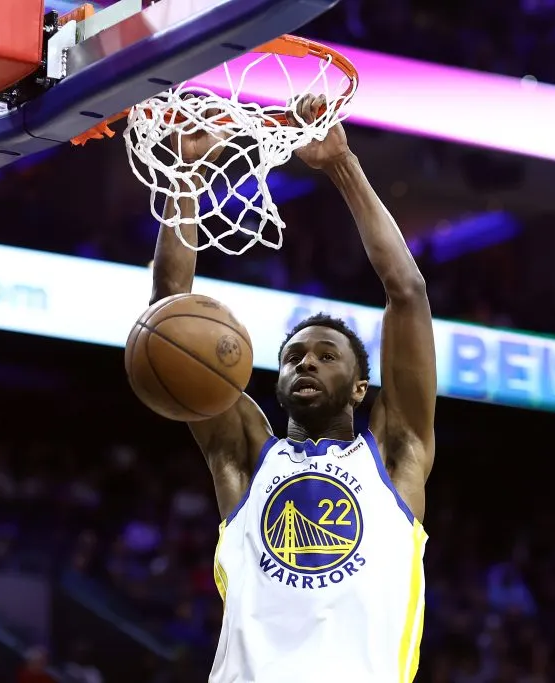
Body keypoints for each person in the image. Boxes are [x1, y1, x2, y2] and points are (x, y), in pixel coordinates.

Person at [148, 95, 437, 683]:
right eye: (293, 357)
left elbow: (406, 291)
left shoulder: (395, 454)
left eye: (325, 356)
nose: (305, 363)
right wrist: (185, 177)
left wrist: (340, 164)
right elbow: (169, 323)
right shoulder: (248, 455)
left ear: (360, 389)